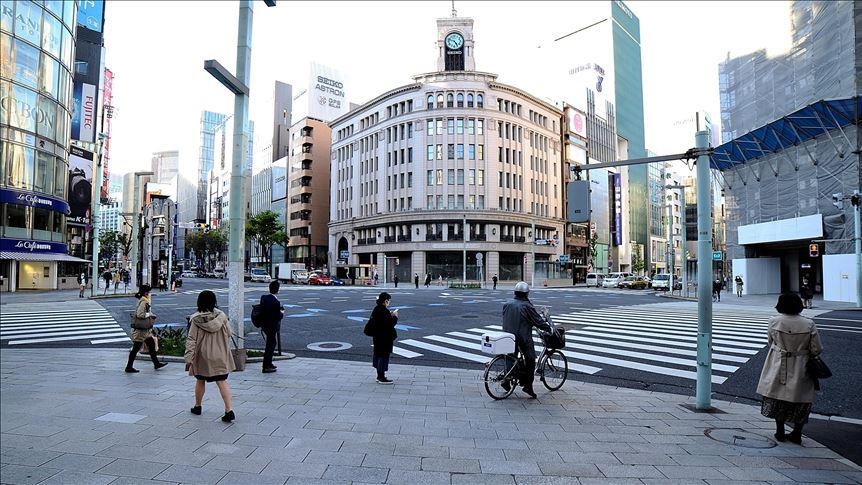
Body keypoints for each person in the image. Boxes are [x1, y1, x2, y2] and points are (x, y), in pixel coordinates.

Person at [756, 293, 823, 445]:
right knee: (801, 398)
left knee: (777, 396)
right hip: (801, 364)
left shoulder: (774, 321)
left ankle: (780, 430)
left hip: (778, 362)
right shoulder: (808, 324)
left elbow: (770, 342)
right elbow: (816, 348)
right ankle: (797, 433)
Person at [185, 290, 236, 422]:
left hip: (202, 356)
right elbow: (229, 333)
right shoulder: (222, 316)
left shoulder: (196, 318)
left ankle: (198, 406)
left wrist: (188, 358)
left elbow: (191, 339)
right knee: (222, 381)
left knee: (200, 380)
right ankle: (228, 410)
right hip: (220, 354)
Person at [502, 282, 552, 399]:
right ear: (526, 294)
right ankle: (528, 386)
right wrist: (548, 328)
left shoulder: (507, 304)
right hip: (522, 337)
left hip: (508, 336)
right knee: (530, 359)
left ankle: (506, 380)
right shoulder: (526, 306)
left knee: (511, 357)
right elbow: (538, 321)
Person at [125, 284, 168, 373]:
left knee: (151, 345)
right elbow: (140, 315)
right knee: (136, 348)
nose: (149, 293)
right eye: (148, 292)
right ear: (145, 292)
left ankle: (156, 363)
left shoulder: (143, 300)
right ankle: (129, 367)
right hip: (140, 330)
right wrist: (150, 315)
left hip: (144, 330)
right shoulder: (144, 301)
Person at [367, 292, 398, 384]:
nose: (389, 302)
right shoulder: (383, 311)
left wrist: (389, 314)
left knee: (378, 354)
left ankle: (379, 375)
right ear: (385, 301)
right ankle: (381, 377)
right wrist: (395, 317)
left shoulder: (377, 309)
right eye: (388, 301)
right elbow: (389, 324)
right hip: (384, 338)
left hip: (377, 337)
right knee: (383, 356)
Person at [259, 280, 284, 373]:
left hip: (264, 325)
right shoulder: (276, 302)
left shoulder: (264, 297)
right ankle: (266, 365)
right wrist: (281, 312)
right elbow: (278, 316)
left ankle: (268, 363)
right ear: (277, 290)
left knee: (271, 344)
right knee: (271, 345)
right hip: (272, 326)